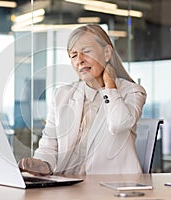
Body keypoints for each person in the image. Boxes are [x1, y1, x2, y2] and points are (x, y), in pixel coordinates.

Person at [18, 24, 147, 175]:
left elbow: (118, 124)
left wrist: (110, 86)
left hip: (109, 189)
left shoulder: (132, 91)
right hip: (67, 186)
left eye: (86, 52)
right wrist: (43, 165)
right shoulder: (61, 95)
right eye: (73, 55)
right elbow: (49, 144)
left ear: (107, 53)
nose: (79, 60)